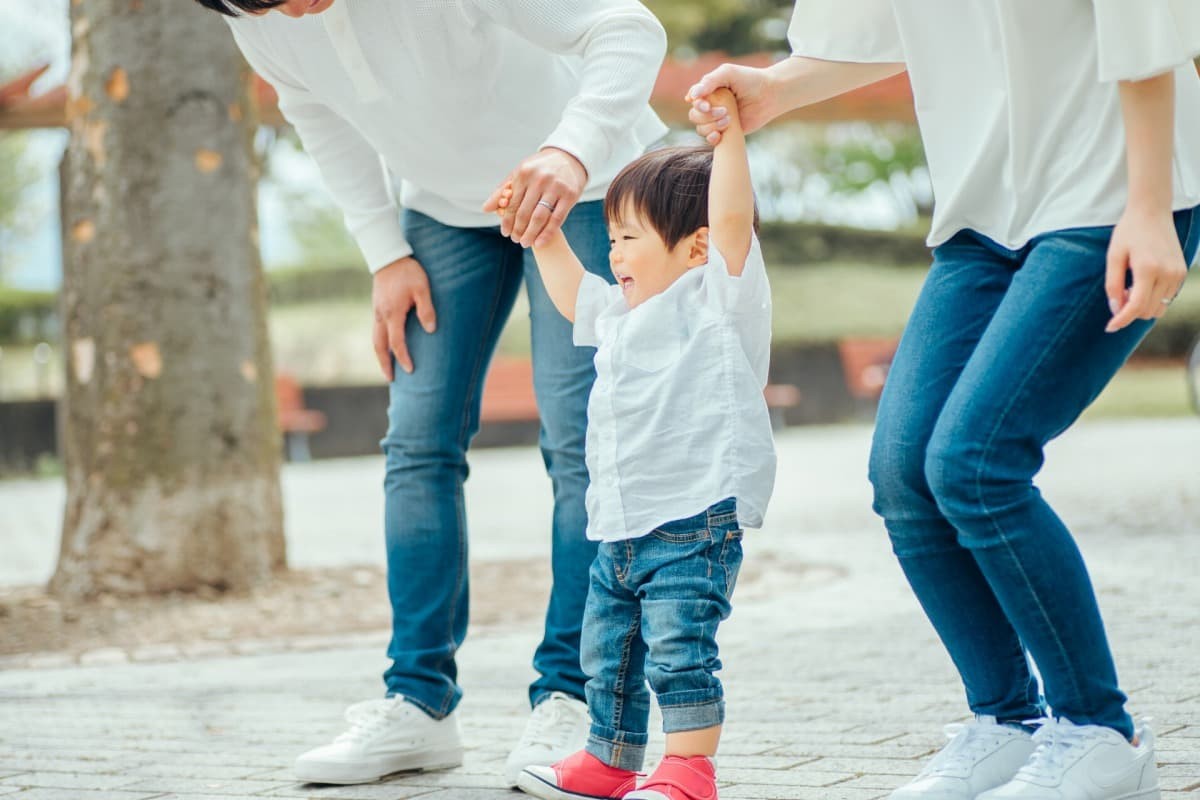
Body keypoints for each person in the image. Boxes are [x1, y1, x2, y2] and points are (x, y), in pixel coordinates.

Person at [687, 2, 1200, 798]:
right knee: (904, 475)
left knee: (975, 463)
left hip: (1109, 195)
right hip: (983, 215)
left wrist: (1149, 201)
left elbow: (1144, 26)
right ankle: (1007, 722)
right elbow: (877, 30)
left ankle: (1102, 731)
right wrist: (775, 89)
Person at [191, 0, 668, 786]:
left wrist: (569, 150)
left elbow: (627, 27)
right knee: (417, 442)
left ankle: (573, 700)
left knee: (581, 445)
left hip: (589, 186)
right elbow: (318, 112)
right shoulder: (257, 21)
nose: (300, 8)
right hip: (446, 212)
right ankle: (418, 705)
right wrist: (385, 253)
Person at [491, 87, 775, 800]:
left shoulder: (717, 296)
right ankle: (611, 759)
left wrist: (729, 142)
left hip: (692, 516)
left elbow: (732, 214)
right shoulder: (619, 312)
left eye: (628, 238)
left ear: (696, 245)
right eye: (612, 237)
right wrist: (542, 236)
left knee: (680, 649)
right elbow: (569, 294)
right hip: (618, 522)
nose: (614, 252)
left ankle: (688, 770)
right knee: (608, 652)